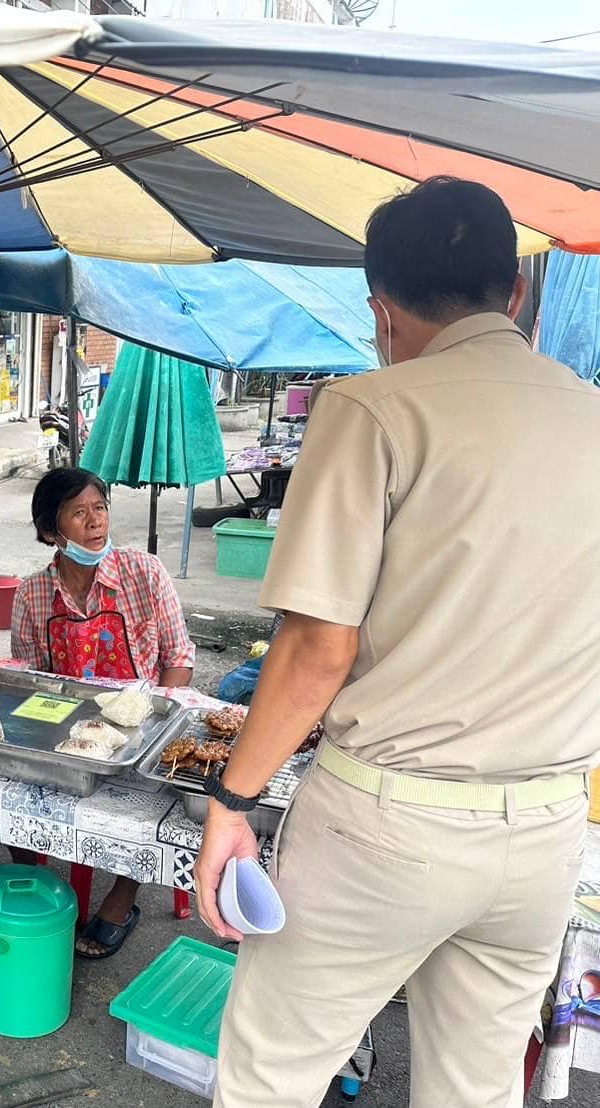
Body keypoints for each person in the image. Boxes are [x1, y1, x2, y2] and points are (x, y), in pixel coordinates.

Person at [196, 176, 600, 1107]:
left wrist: (233, 801)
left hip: (390, 820)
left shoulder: (373, 409)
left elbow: (316, 649)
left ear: (379, 309)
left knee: (271, 1074)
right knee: (476, 1087)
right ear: (517, 292)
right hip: (543, 826)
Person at [10, 467, 195, 958]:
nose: (95, 521)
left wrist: (155, 724)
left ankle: (123, 895)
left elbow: (179, 659)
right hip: (64, 730)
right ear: (52, 531)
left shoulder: (144, 573)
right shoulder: (32, 593)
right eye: (78, 512)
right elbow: (27, 679)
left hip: (141, 725)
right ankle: (39, 886)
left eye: (100, 507)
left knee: (141, 803)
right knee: (14, 785)